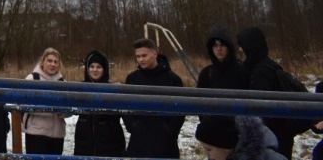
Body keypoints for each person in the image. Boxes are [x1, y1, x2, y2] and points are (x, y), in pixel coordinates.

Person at [236, 26, 297, 159]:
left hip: (274, 138)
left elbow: (263, 109)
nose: (240, 49)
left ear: (251, 46)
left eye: (242, 46)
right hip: (278, 135)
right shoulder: (267, 65)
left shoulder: (261, 72)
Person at [123, 37, 184, 158]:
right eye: (138, 56)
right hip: (138, 142)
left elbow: (180, 111)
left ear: (155, 53)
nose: (140, 59)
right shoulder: (132, 78)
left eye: (144, 55)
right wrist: (133, 127)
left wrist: (169, 131)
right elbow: (125, 106)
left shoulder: (173, 79)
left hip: (165, 144)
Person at [195, 27, 250, 155]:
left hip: (237, 133)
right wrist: (206, 122)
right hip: (214, 133)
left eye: (222, 44)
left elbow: (249, 100)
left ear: (229, 46)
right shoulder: (206, 73)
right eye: (215, 45)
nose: (218, 49)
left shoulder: (242, 71)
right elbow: (199, 102)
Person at [73, 50, 125, 157]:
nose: (94, 70)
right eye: (91, 66)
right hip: (84, 147)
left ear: (105, 69)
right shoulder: (79, 89)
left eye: (99, 67)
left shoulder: (113, 90)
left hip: (110, 149)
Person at [22, 47, 68, 155]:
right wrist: (52, 108)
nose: (53, 64)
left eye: (56, 62)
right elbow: (23, 104)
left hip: (57, 135)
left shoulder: (63, 82)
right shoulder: (32, 79)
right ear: (42, 62)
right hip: (36, 134)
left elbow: (69, 109)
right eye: (49, 61)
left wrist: (62, 111)